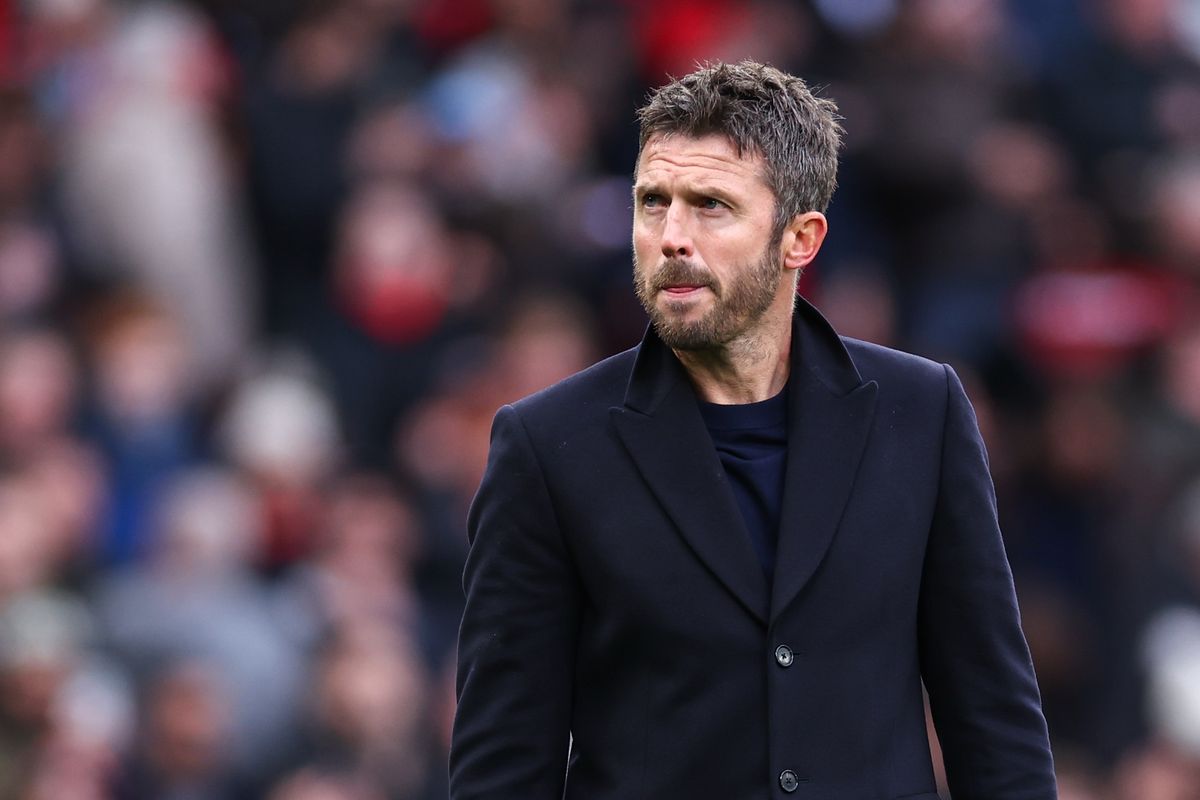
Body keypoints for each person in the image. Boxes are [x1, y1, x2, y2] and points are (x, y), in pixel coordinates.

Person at [450, 60, 1057, 799]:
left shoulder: (921, 412)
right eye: (652, 202)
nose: (671, 236)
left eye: (709, 204)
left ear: (800, 238)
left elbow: (993, 724)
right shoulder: (546, 446)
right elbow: (504, 764)